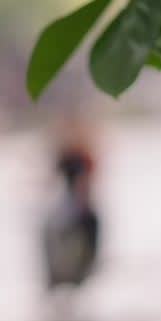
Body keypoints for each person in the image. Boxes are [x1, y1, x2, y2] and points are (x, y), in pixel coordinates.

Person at [40, 117, 100, 294]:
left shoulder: (83, 154)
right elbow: (52, 178)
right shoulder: (66, 154)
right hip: (68, 202)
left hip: (77, 203)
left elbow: (86, 180)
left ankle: (78, 273)